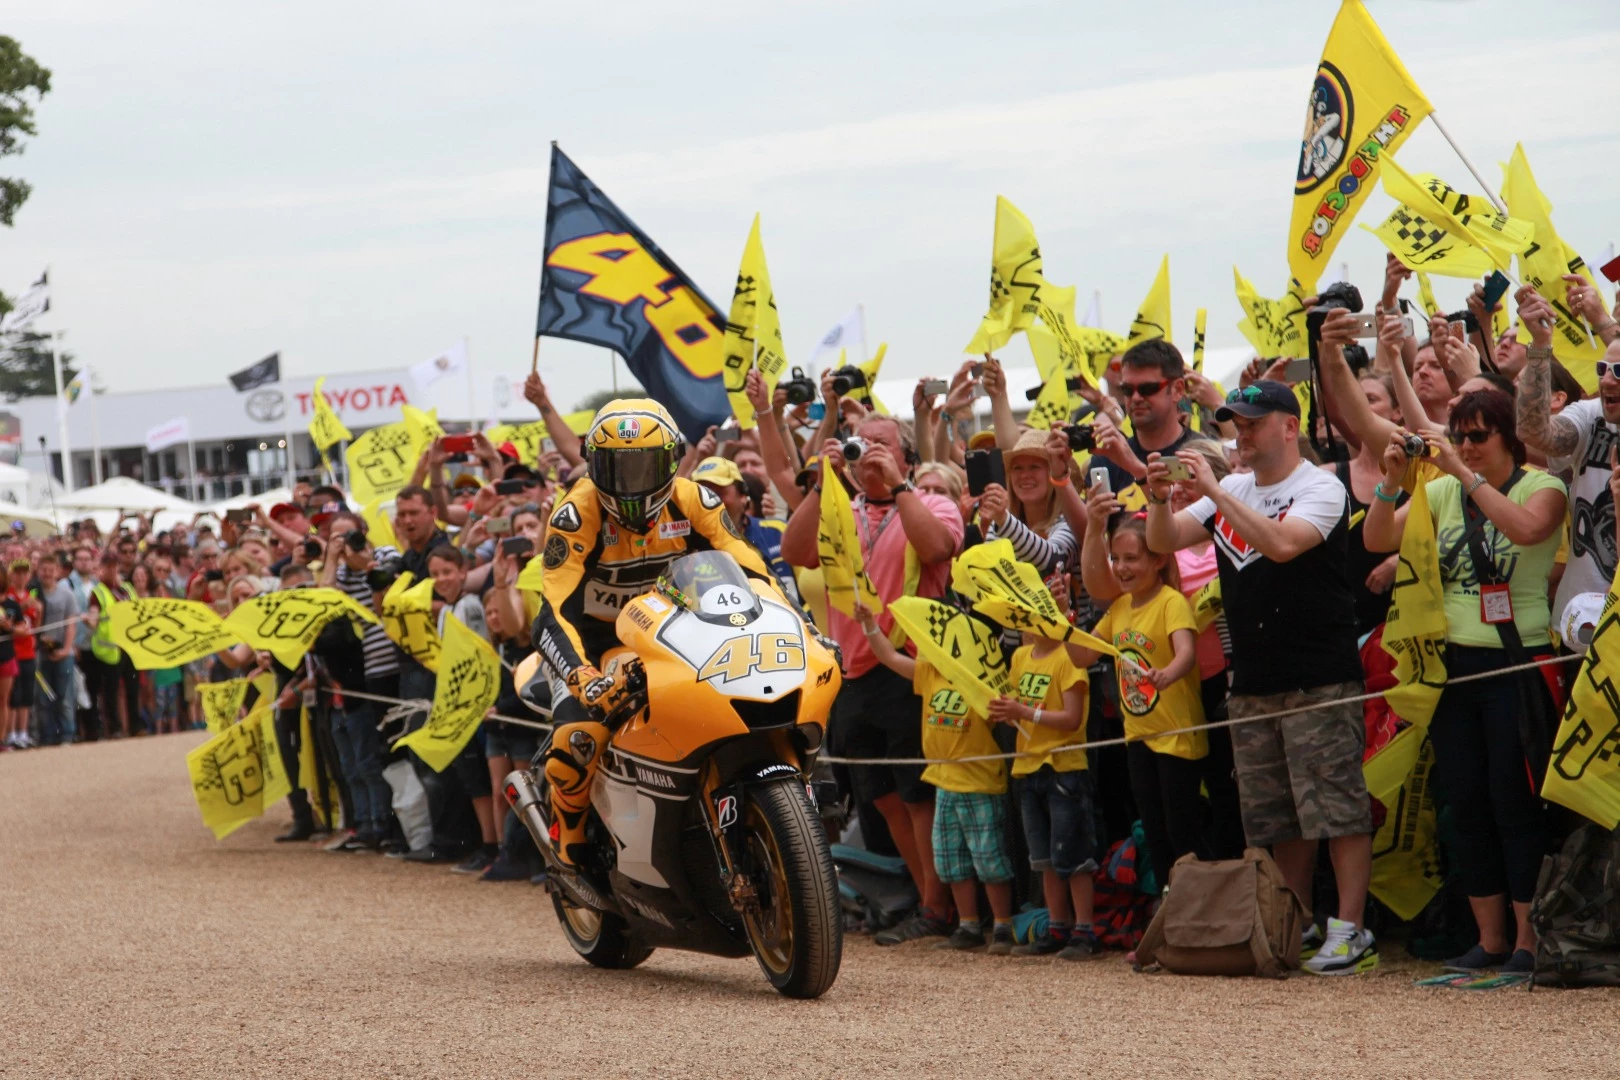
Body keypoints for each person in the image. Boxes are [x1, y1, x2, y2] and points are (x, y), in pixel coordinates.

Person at [1145, 377, 1376, 976]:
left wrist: (1216, 493)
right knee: (1277, 815)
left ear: (1289, 426)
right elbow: (1162, 540)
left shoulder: (1322, 486)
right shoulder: (1238, 486)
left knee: (1336, 807)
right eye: (1237, 421)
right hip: (1252, 681)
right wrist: (1154, 498)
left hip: (1318, 676)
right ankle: (1294, 921)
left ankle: (1351, 928)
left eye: (1252, 421)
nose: (1241, 431)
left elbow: (1278, 544)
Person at [1365, 390, 1567, 975]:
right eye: (1460, 436)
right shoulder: (1441, 489)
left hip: (1516, 664)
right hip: (1450, 667)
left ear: (1508, 436)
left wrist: (1460, 472)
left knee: (1514, 802)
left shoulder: (1541, 487)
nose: (1468, 447)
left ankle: (1529, 940)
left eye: (1479, 436)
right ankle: (1490, 938)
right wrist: (1389, 482)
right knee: (1466, 803)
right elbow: (1378, 540)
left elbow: (1529, 531)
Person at [533, 399, 779, 867]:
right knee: (579, 736)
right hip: (601, 642)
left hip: (684, 631)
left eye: (645, 466)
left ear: (671, 460)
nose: (632, 483)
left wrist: (797, 624)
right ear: (591, 464)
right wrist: (582, 674)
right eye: (617, 468)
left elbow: (752, 567)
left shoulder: (695, 499)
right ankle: (569, 839)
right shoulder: (574, 513)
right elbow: (552, 611)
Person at [781, 412, 963, 944]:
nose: (868, 452)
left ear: (906, 454)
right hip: (852, 670)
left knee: (916, 794)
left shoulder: (931, 501)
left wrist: (901, 484)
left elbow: (936, 550)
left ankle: (935, 906)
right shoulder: (842, 507)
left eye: (882, 443)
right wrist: (821, 483)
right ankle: (927, 895)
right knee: (880, 795)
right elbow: (796, 553)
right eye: (862, 443)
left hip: (908, 668)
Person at [856, 601, 1017, 954]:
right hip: (944, 782)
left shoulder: (983, 679)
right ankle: (968, 924)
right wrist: (870, 625)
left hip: (979, 783)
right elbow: (890, 658)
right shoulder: (931, 672)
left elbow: (1009, 713)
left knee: (989, 859)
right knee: (951, 861)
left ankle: (1002, 925)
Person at [1079, 502, 1209, 892]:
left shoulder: (1171, 601)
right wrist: (1063, 620)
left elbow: (1186, 653)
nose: (1121, 567)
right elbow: (1081, 655)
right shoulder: (1118, 608)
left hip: (1178, 736)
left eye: (1132, 558)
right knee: (1153, 829)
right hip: (1138, 735)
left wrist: (1166, 674)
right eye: (1115, 558)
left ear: (1157, 560)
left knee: (1182, 828)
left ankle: (1197, 908)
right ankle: (1170, 908)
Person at [986, 573, 1097, 959]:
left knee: (1075, 854)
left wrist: (1023, 712)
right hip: (1027, 768)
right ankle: (1056, 925)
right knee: (1044, 857)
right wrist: (1007, 711)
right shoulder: (1019, 657)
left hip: (1064, 767)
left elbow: (1071, 718)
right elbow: (1018, 709)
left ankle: (1085, 929)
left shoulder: (1070, 657)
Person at [1514, 285, 1620, 635]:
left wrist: (1604, 319)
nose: (1606, 379)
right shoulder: (1591, 417)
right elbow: (1534, 432)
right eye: (1603, 368)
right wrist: (1540, 346)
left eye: (1618, 372)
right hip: (1582, 624)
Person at [692, 456, 804, 613]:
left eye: (718, 492)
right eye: (702, 494)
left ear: (743, 495)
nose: (710, 501)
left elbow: (810, 593)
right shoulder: (684, 547)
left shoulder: (778, 531)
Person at [35, 554, 79, 746]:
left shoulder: (66, 594)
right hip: (40, 652)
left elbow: (71, 623)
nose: (47, 574)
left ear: (57, 571)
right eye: (44, 570)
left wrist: (67, 649)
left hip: (63, 652)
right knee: (43, 699)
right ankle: (48, 736)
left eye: (51, 570)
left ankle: (67, 734)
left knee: (65, 697)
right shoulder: (34, 593)